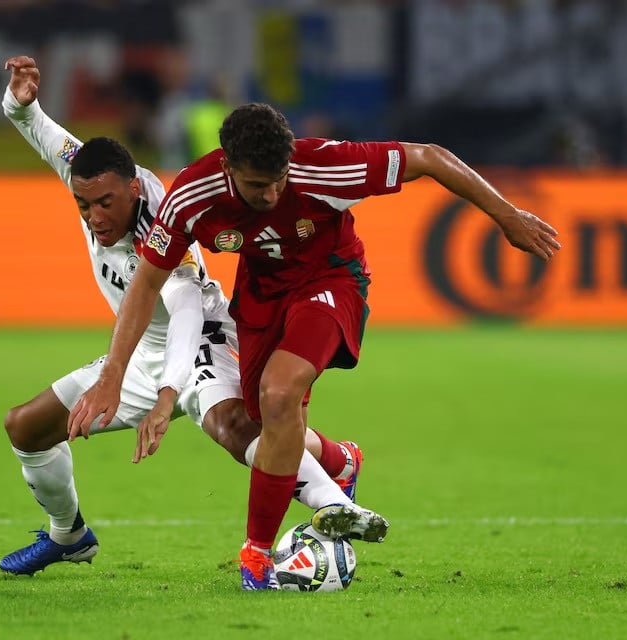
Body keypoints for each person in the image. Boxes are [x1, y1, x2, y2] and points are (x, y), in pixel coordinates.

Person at [67, 102, 562, 590]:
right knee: (269, 426)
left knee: (279, 394)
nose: (274, 192)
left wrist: (507, 216)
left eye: (280, 178)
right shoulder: (193, 194)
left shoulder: (325, 165)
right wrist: (111, 376)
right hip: (261, 298)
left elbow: (429, 156)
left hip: (330, 280)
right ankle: (340, 461)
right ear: (228, 168)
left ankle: (256, 557)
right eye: (258, 184)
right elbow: (147, 284)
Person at [0, 57, 385, 578]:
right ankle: (69, 536)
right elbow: (43, 134)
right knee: (26, 427)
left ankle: (333, 502)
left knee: (232, 426)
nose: (94, 217)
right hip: (139, 352)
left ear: (134, 188)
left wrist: (167, 394)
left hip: (201, 334)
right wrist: (22, 103)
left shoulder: (164, 220)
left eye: (104, 204)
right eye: (83, 205)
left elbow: (181, 309)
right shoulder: (91, 182)